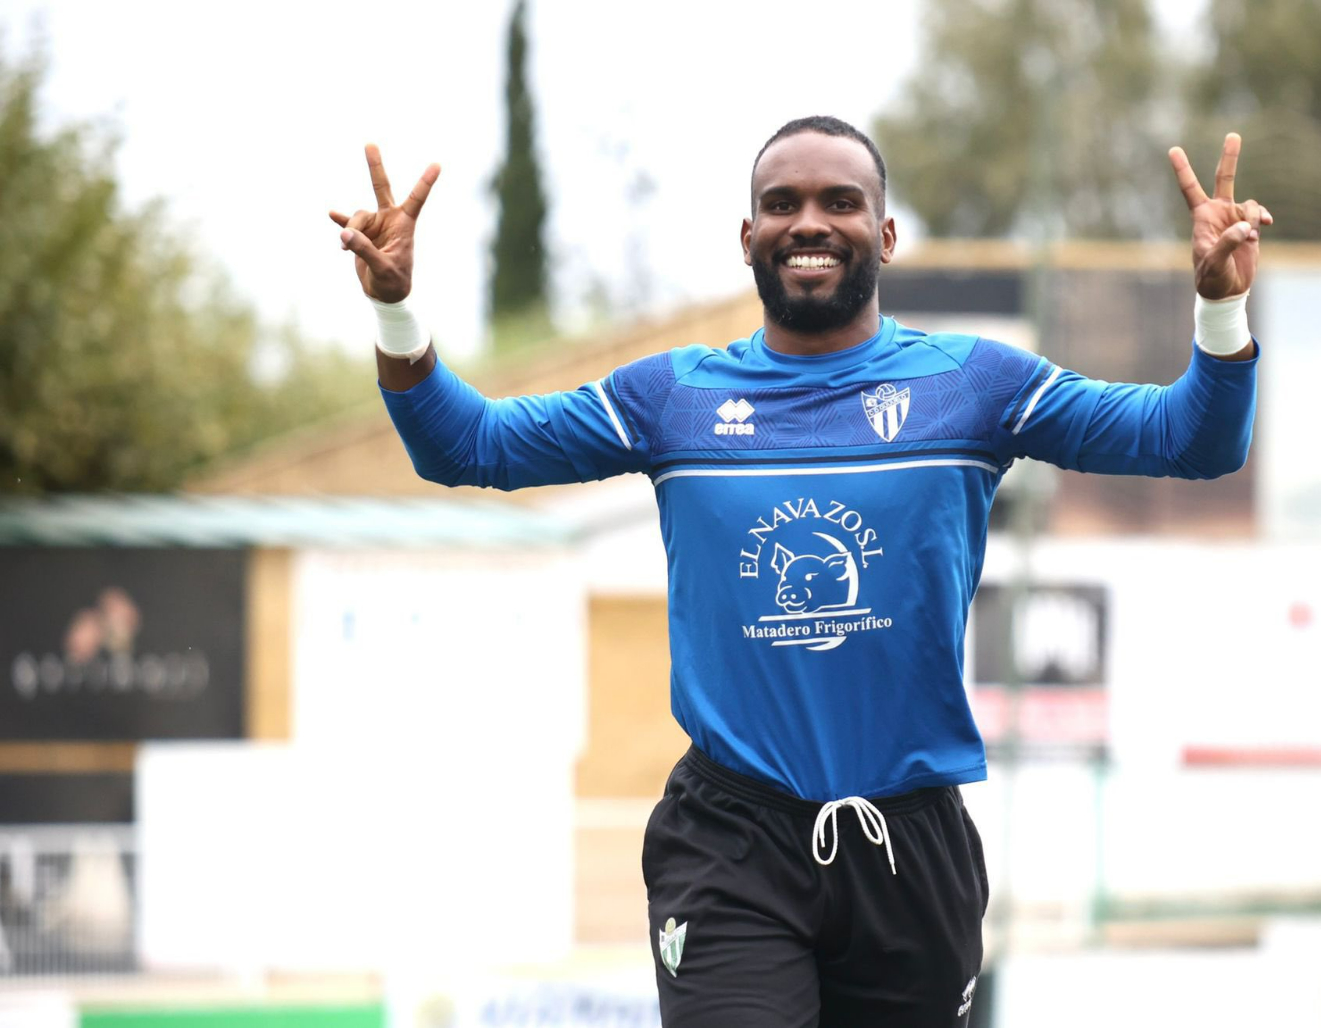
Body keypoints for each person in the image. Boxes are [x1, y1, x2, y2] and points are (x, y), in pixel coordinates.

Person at [329, 115, 1267, 1027]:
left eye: (840, 201)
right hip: (731, 843)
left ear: (887, 233)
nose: (809, 221)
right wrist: (396, 308)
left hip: (912, 844)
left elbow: (1191, 441)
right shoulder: (672, 400)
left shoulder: (977, 387)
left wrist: (1219, 308)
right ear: (747, 237)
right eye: (781, 203)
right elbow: (468, 445)